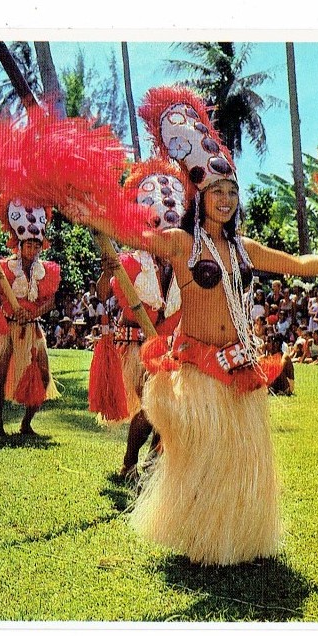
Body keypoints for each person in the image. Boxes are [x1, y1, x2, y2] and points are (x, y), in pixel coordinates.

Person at [70, 86, 318, 565]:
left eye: (232, 190)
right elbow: (133, 233)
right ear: (199, 196)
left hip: (240, 368)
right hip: (196, 369)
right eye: (217, 191)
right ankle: (198, 536)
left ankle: (234, 538)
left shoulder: (244, 249)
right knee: (201, 459)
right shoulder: (180, 243)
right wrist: (84, 211)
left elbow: (300, 264)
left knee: (241, 462)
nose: (226, 198)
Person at [89, 159, 190, 481]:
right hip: (135, 348)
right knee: (152, 406)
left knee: (166, 409)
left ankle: (150, 463)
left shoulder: (186, 264)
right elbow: (103, 294)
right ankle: (131, 463)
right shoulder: (131, 262)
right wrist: (107, 269)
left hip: (169, 350)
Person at [0, 198, 61, 437]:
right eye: (29, 246)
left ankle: (26, 423)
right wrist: (11, 307)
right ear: (19, 245)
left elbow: (50, 302)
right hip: (8, 328)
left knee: (43, 375)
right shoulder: (3, 269)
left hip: (33, 330)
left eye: (36, 246)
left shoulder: (47, 271)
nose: (33, 251)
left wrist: (33, 313)